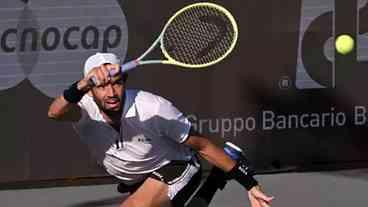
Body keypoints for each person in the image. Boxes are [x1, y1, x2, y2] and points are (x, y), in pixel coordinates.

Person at [48, 52, 274, 207]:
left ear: (124, 81)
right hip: (137, 180)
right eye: (102, 86)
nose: (111, 93)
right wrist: (82, 84)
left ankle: (223, 169)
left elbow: (202, 145)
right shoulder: (83, 109)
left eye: (116, 83)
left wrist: (249, 184)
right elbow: (55, 112)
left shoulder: (153, 108)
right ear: (89, 90)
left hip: (175, 166)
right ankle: (216, 179)